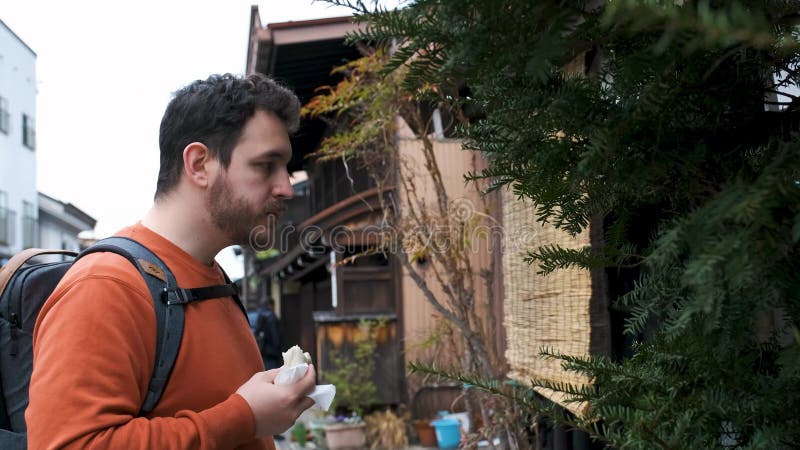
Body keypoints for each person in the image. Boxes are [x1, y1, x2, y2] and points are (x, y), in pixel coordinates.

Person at [25, 73, 316, 450]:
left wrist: (261, 406)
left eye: (287, 169)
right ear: (199, 164)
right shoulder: (106, 286)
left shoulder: (213, 278)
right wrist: (243, 416)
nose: (287, 188)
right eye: (265, 165)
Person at [254, 299, 284, 370]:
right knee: (274, 372)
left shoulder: (260, 316)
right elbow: (275, 338)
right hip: (272, 352)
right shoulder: (272, 318)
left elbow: (256, 332)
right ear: (271, 305)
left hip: (263, 350)